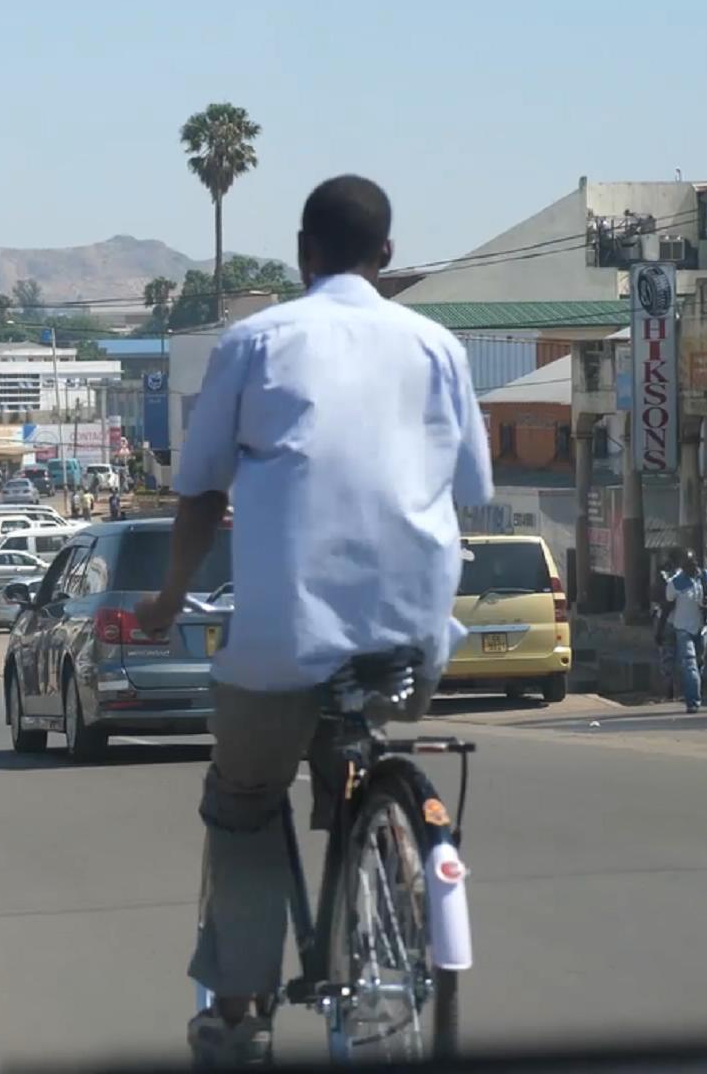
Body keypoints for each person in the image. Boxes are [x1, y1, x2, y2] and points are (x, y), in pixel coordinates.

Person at [132, 176, 493, 1067]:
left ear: (303, 253)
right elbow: (475, 491)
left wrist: (168, 601)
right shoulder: (438, 346)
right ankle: (386, 853)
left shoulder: (257, 342)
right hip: (411, 645)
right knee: (356, 741)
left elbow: (201, 490)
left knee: (246, 804)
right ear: (388, 256)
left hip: (284, 645)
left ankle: (244, 1011)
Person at [663, 548, 707, 713]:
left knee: (699, 662)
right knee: (689, 664)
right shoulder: (675, 583)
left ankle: (695, 691)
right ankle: (693, 702)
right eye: (686, 565)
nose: (690, 567)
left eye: (692, 563)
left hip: (702, 628)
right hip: (683, 629)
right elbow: (667, 604)